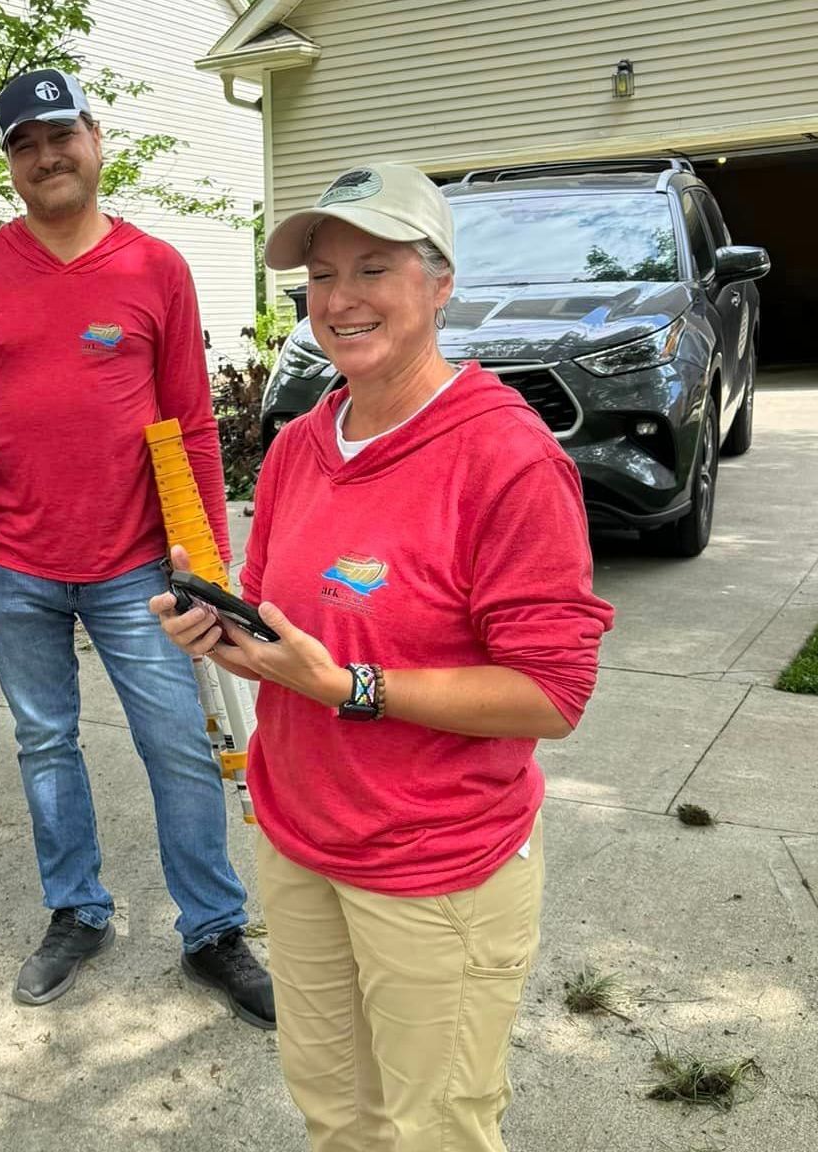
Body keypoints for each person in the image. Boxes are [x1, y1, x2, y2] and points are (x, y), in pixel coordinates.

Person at [151, 162, 615, 1150]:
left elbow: (552, 693)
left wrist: (352, 688)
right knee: (336, 1116)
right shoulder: (297, 449)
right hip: (301, 843)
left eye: (374, 267)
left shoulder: (507, 458)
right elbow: (292, 649)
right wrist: (226, 639)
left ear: (441, 282)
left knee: (435, 1131)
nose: (341, 299)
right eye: (320, 275)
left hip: (438, 868)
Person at [0, 68, 274, 1029]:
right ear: (11, 164)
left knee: (178, 748)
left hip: (140, 567)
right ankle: (77, 912)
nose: (46, 156)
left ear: (96, 140)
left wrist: (208, 557)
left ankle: (214, 932)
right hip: (15, 561)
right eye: (24, 144)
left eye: (59, 135)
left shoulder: (157, 269)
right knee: (44, 743)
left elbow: (191, 419)